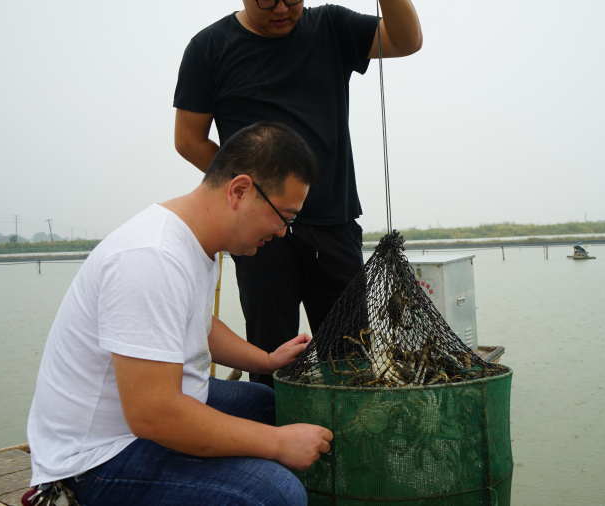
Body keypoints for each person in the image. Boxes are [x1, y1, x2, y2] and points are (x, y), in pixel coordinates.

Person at [26, 122, 332, 506]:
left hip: (139, 419)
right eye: (284, 216)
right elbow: (154, 415)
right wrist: (277, 444)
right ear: (239, 190)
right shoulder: (152, 257)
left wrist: (267, 360)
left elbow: (198, 326)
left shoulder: (196, 241)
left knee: (265, 403)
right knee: (277, 494)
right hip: (96, 457)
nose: (285, 232)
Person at [173, 0, 423, 388]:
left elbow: (407, 41)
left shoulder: (331, 26)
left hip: (334, 225)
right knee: (271, 360)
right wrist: (248, 193)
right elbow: (188, 140)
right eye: (267, 0)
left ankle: (348, 443)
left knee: (351, 358)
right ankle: (268, 444)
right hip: (259, 235)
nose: (281, 8)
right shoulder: (209, 47)